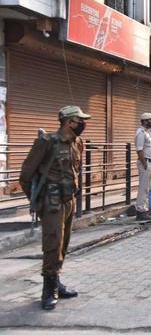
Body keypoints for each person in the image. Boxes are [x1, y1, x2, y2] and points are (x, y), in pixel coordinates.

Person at [19, 106, 91, 310]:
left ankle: (57, 283)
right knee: (52, 244)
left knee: (63, 245)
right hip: (51, 203)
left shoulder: (78, 142)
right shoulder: (47, 142)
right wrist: (37, 201)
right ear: (69, 122)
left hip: (69, 200)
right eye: (79, 120)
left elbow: (74, 170)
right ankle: (48, 290)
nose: (83, 124)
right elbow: (26, 175)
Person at [135, 113, 151, 221]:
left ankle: (143, 208)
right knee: (143, 188)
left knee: (146, 188)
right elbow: (139, 150)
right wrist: (144, 164)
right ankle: (140, 211)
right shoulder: (141, 133)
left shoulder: (147, 132)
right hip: (146, 163)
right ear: (145, 121)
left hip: (149, 162)